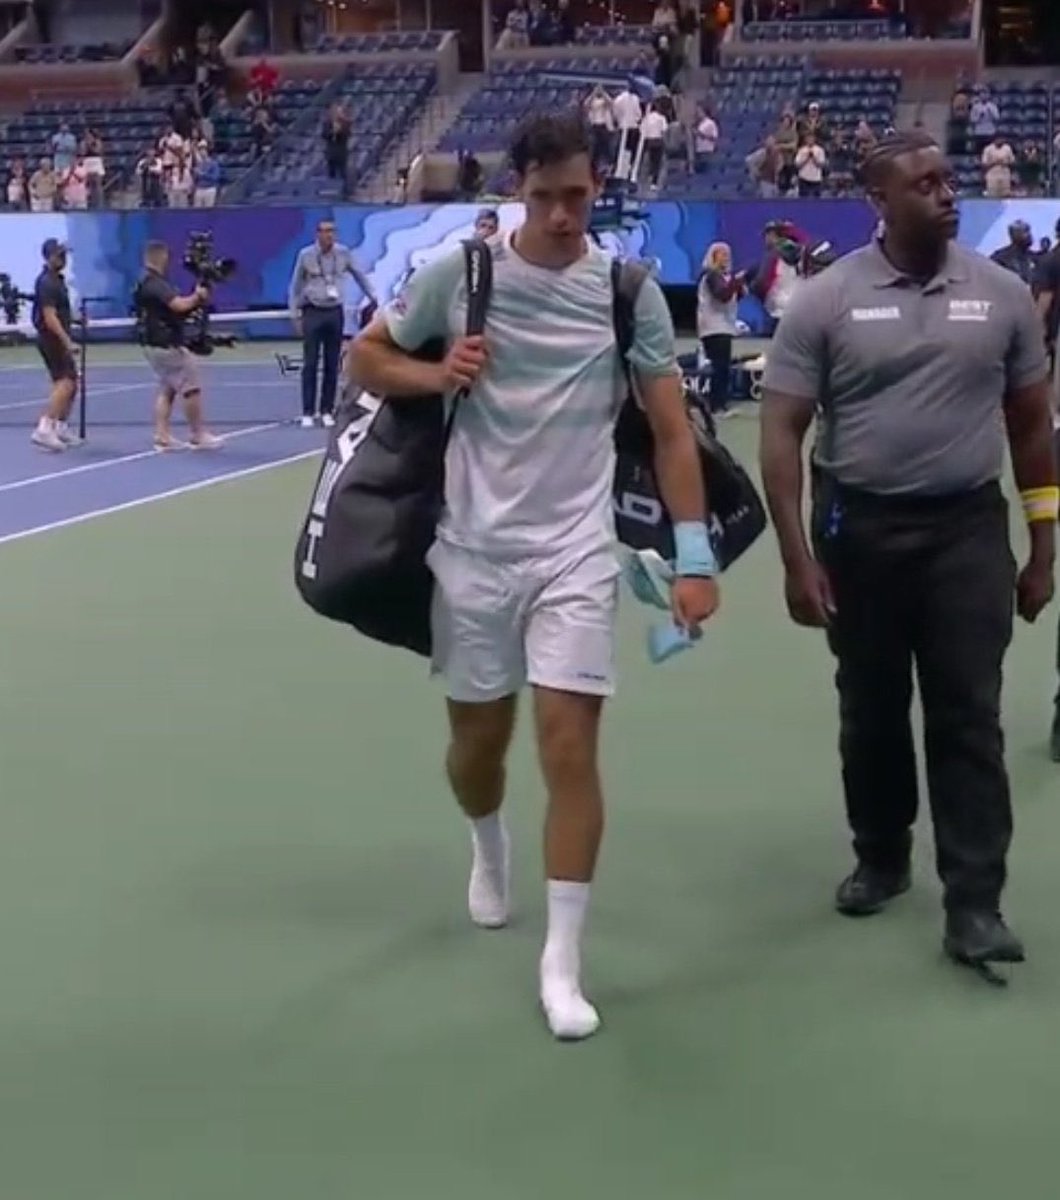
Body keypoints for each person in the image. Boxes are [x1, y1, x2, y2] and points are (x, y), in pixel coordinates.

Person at [348, 111, 719, 1039]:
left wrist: (695, 554)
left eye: (579, 197)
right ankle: (487, 840)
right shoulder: (464, 275)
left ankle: (562, 962)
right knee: (478, 754)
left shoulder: (626, 290)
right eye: (546, 196)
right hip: (471, 552)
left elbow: (672, 430)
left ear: (598, 191)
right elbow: (366, 355)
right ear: (518, 189)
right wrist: (437, 376)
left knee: (569, 750)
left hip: (577, 556)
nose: (562, 215)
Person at [758, 131, 1055, 982]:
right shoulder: (826, 300)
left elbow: (1031, 429)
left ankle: (975, 903)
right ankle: (882, 854)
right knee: (873, 707)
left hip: (966, 532)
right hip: (860, 532)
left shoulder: (1001, 296)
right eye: (924, 184)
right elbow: (782, 432)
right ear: (878, 202)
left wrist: (1043, 546)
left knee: (969, 713)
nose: (945, 194)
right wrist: (792, 555)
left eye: (949, 180)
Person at [288, 219, 377, 428]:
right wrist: (294, 314)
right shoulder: (306, 255)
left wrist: (374, 297)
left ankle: (326, 409)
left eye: (332, 231)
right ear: (317, 234)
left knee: (332, 363)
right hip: (312, 311)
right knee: (310, 363)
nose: (330, 235)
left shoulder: (343, 253)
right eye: (326, 231)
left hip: (334, 312)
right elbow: (295, 286)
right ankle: (307, 411)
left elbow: (360, 276)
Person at [134, 241, 220, 450]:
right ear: (160, 257)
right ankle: (198, 434)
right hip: (165, 344)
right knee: (190, 386)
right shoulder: (155, 284)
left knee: (168, 388)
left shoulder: (147, 282)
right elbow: (178, 305)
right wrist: (197, 296)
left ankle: (162, 436)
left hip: (154, 343)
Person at [31, 238, 80, 452]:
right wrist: (67, 342)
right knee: (65, 382)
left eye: (64, 255)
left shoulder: (57, 281)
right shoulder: (47, 283)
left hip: (59, 337)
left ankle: (59, 426)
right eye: (59, 255)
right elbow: (50, 317)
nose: (63, 259)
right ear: (49, 257)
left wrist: (76, 320)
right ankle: (45, 427)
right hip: (52, 339)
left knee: (72, 383)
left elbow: (60, 312)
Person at [695, 241, 745, 417]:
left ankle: (720, 404)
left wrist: (738, 285)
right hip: (714, 327)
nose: (726, 257)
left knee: (722, 367)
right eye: (721, 254)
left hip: (723, 326)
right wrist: (735, 282)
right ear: (713, 256)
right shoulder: (711, 275)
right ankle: (716, 406)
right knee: (720, 367)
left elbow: (734, 296)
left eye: (727, 254)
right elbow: (722, 295)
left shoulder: (723, 276)